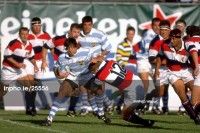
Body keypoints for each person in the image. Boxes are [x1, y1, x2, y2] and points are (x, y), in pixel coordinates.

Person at [43, 38, 111, 126]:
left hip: (86, 75)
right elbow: (55, 68)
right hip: (73, 76)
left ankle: (100, 113)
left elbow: (102, 57)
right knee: (62, 91)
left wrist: (96, 59)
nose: (70, 50)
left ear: (76, 47)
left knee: (99, 90)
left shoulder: (87, 51)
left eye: (72, 47)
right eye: (68, 48)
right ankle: (49, 118)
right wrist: (58, 75)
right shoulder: (62, 57)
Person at [88, 59, 155, 127]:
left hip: (133, 91)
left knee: (125, 116)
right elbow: (100, 59)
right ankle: (140, 105)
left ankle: (147, 122)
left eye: (92, 72)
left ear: (96, 70)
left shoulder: (99, 75)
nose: (93, 74)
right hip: (137, 81)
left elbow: (94, 89)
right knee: (125, 95)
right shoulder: (109, 61)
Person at [154, 29, 200, 124]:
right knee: (182, 95)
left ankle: (195, 111)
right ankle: (195, 117)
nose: (171, 41)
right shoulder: (164, 45)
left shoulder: (187, 45)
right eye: (171, 38)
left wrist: (195, 68)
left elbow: (194, 55)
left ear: (180, 38)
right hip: (172, 73)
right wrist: (157, 70)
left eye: (174, 39)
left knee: (195, 96)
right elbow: (159, 57)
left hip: (187, 71)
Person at [42, 23, 88, 117]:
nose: (76, 34)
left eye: (78, 32)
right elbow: (46, 46)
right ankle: (64, 104)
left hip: (73, 69)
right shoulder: (59, 39)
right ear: (70, 31)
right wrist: (44, 61)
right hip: (61, 68)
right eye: (74, 32)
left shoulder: (79, 42)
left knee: (76, 90)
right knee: (68, 90)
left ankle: (71, 110)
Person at [78, 16, 114, 115]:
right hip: (85, 64)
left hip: (97, 64)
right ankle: (91, 108)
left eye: (89, 25)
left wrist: (99, 57)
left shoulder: (99, 34)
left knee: (99, 87)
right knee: (86, 87)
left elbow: (108, 48)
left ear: (92, 24)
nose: (87, 27)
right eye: (85, 25)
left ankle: (106, 106)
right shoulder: (78, 35)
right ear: (82, 24)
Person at [0, 27, 38, 99]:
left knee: (30, 87)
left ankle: (30, 107)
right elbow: (6, 56)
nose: (24, 36)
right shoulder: (14, 43)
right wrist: (18, 64)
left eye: (26, 34)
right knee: (3, 92)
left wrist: (35, 65)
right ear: (19, 35)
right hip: (8, 70)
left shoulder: (29, 45)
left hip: (18, 71)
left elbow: (31, 57)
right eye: (22, 34)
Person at [25, 17, 51, 116]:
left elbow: (51, 47)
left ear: (41, 25)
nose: (36, 27)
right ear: (31, 26)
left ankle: (30, 107)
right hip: (29, 62)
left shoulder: (46, 35)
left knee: (35, 85)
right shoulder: (27, 35)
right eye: (34, 25)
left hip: (40, 63)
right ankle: (31, 107)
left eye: (38, 25)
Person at [115, 26, 140, 114]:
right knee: (127, 88)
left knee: (133, 88)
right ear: (126, 34)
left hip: (135, 70)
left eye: (132, 34)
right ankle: (121, 105)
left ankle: (121, 105)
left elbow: (139, 57)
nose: (131, 35)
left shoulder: (136, 45)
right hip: (126, 69)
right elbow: (118, 58)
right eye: (129, 34)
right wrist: (125, 67)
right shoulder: (122, 44)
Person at [148, 20, 171, 114]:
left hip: (170, 69)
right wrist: (166, 61)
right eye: (161, 29)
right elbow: (151, 59)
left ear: (170, 30)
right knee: (160, 91)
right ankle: (145, 104)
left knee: (167, 88)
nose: (163, 31)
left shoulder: (172, 39)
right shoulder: (155, 41)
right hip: (158, 69)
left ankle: (165, 107)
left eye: (165, 29)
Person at [184, 25, 200, 115]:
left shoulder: (189, 41)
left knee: (194, 101)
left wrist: (196, 66)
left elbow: (193, 51)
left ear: (189, 35)